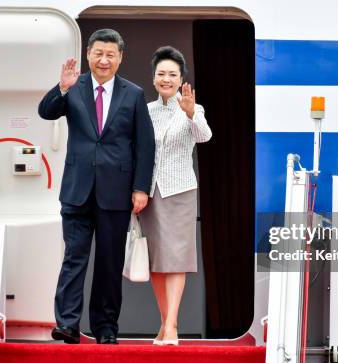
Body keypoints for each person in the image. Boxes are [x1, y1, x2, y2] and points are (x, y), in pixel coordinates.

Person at [38, 29, 155, 345]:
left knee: (109, 261)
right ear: (88, 54)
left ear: (120, 58)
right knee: (74, 258)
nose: (104, 60)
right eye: (98, 53)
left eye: (110, 54)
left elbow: (145, 146)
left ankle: (105, 328)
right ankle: (67, 324)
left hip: (116, 192)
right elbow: (45, 111)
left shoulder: (133, 94)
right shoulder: (73, 88)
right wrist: (61, 87)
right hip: (77, 190)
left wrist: (141, 188)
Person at [139, 46, 212, 346]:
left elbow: (204, 135)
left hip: (180, 190)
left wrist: (192, 113)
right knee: (157, 261)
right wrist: (137, 189)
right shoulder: (144, 110)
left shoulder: (193, 108)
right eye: (161, 74)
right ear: (154, 79)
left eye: (172, 74)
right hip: (150, 194)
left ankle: (171, 326)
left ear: (182, 78)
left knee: (176, 259)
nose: (166, 79)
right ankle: (165, 322)